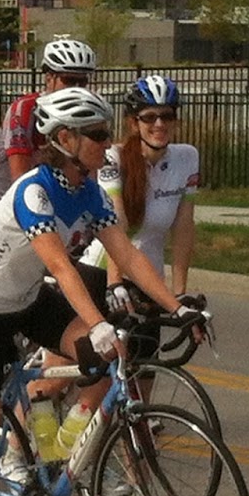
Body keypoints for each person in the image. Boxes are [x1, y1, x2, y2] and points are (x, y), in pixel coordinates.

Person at [0, 86, 200, 496]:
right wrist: (96, 321)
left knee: (114, 354)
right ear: (65, 139)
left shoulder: (85, 188)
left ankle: (58, 443)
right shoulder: (33, 192)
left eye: (109, 134)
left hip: (25, 298)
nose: (109, 145)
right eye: (99, 135)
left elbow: (125, 254)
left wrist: (177, 307)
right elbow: (62, 266)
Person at [96, 75, 200, 347]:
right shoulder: (113, 157)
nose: (159, 124)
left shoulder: (187, 157)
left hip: (149, 281)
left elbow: (184, 228)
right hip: (103, 272)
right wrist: (114, 281)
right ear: (133, 123)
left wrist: (180, 294)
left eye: (167, 116)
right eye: (149, 117)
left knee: (141, 383)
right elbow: (115, 221)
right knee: (92, 382)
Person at [0, 36, 97, 236]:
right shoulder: (25, 110)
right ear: (49, 78)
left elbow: (89, 175)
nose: (77, 88)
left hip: (44, 208)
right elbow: (21, 179)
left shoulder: (82, 119)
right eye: (69, 80)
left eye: (83, 81)